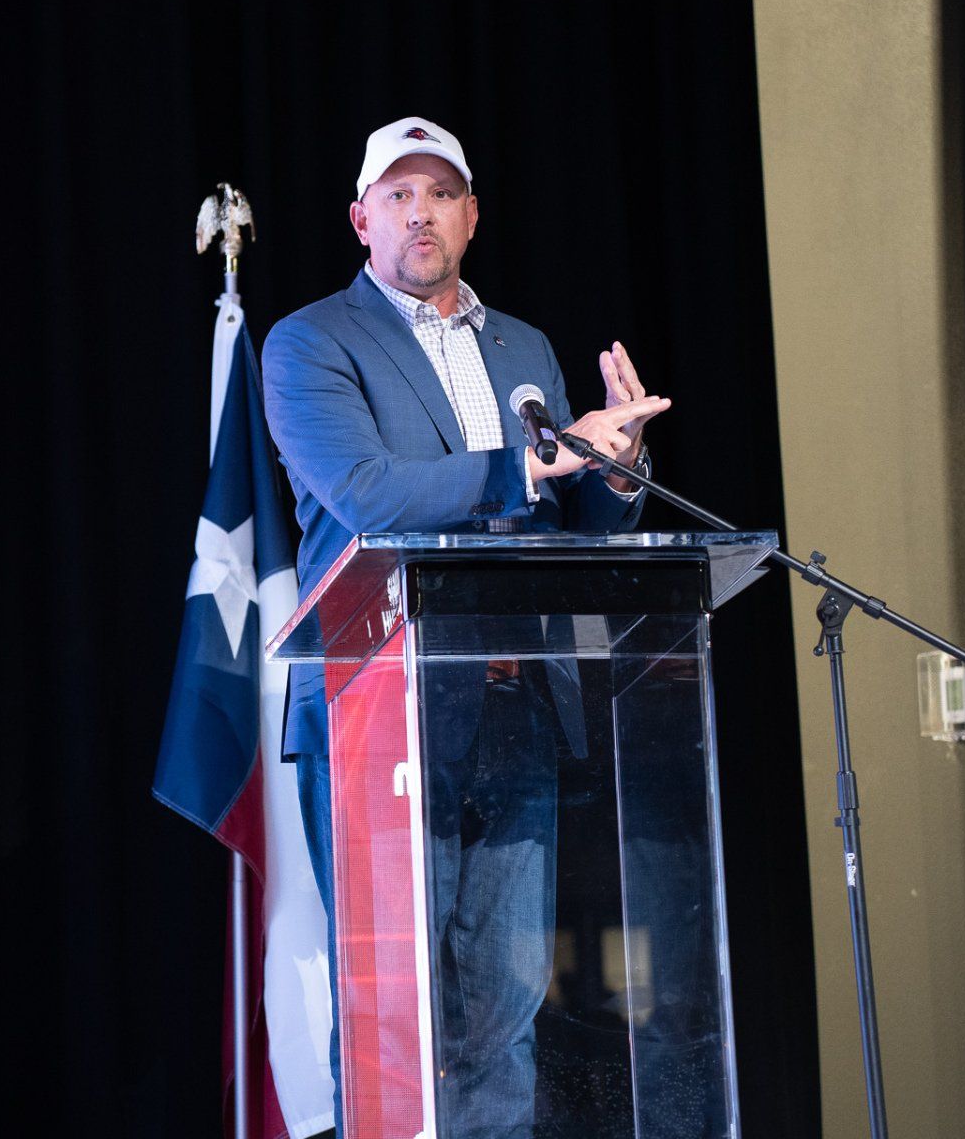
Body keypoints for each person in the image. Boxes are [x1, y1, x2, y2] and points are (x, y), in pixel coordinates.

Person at [262, 116, 669, 1137]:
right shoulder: (311, 341)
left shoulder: (521, 347)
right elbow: (368, 493)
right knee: (393, 1010)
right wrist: (536, 461)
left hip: (516, 704)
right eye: (397, 195)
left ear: (473, 215)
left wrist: (618, 467)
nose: (420, 212)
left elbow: (571, 518)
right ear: (360, 219)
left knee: (504, 1010)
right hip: (379, 712)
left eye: (440, 193)